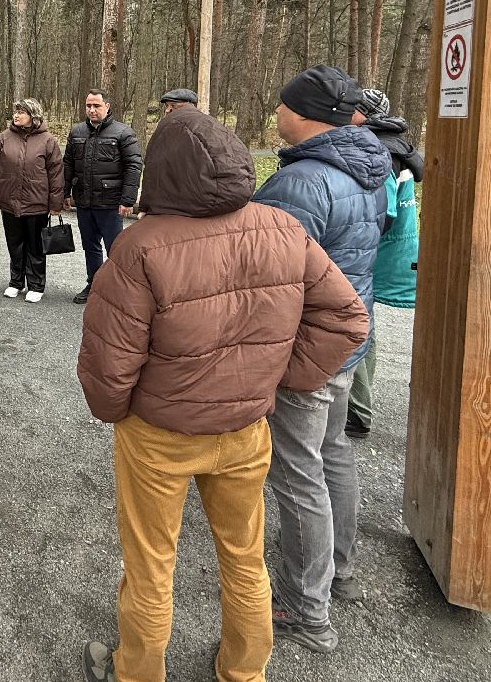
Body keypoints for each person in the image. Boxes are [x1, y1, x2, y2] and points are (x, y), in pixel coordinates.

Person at [78, 105, 368, 682]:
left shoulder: (139, 247)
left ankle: (137, 671)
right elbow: (346, 319)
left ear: (160, 171)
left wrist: (117, 414)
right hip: (245, 432)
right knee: (244, 558)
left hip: (159, 436)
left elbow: (110, 365)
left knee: (151, 563)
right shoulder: (284, 228)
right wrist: (276, 379)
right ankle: (244, 672)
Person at [251, 65, 390, 652]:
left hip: (308, 348)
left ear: (304, 113)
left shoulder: (302, 183)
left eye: (282, 106)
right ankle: (341, 571)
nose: (276, 114)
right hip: (348, 337)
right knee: (333, 454)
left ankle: (306, 608)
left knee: (297, 471)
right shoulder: (368, 167)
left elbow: (268, 278)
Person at [345, 88, 423, 438]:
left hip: (374, 253)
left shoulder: (380, 151)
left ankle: (357, 410)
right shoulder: (391, 145)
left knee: (358, 323)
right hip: (383, 251)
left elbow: (384, 214)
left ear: (365, 114)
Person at [63, 90, 142, 304]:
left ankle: (118, 291)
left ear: (107, 106)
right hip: (84, 201)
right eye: (88, 105)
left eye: (96, 105)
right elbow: (68, 164)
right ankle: (94, 284)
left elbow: (134, 166)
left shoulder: (123, 133)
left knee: (115, 249)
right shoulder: (77, 132)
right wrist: (64, 193)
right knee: (90, 247)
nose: (91, 110)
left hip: (110, 204)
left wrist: (127, 200)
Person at [0, 98, 64, 302]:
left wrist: (56, 204)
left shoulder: (48, 141)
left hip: (36, 203)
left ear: (33, 116)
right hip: (9, 202)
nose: (16, 115)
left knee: (35, 245)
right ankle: (16, 282)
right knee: (15, 244)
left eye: (21, 112)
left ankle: (36, 285)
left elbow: (56, 174)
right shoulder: (3, 138)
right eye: (16, 111)